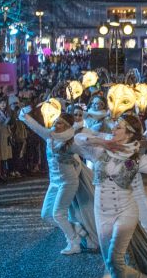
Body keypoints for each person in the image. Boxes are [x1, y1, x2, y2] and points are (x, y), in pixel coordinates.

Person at [73, 113, 147, 278]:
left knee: (115, 258)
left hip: (125, 210)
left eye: (119, 128)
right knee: (110, 261)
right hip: (102, 211)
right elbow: (77, 137)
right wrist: (101, 140)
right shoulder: (100, 149)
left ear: (130, 134)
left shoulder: (139, 158)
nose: (113, 130)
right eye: (114, 127)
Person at [19, 104, 93, 255]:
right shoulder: (50, 136)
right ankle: (78, 228)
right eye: (55, 122)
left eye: (59, 123)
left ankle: (74, 242)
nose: (54, 124)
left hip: (68, 182)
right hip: (54, 182)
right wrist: (25, 115)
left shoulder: (71, 143)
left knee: (58, 214)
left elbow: (86, 157)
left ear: (66, 126)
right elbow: (36, 127)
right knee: (46, 214)